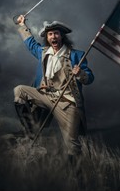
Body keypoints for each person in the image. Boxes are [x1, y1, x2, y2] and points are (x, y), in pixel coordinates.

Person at [14, 15, 94, 158]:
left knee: (72, 145)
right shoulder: (43, 53)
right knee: (19, 91)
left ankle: (77, 177)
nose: (53, 36)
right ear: (47, 37)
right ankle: (30, 134)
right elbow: (31, 43)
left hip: (67, 102)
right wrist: (22, 25)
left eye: (56, 33)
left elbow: (89, 78)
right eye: (50, 34)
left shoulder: (77, 55)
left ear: (62, 36)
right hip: (45, 96)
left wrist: (80, 73)